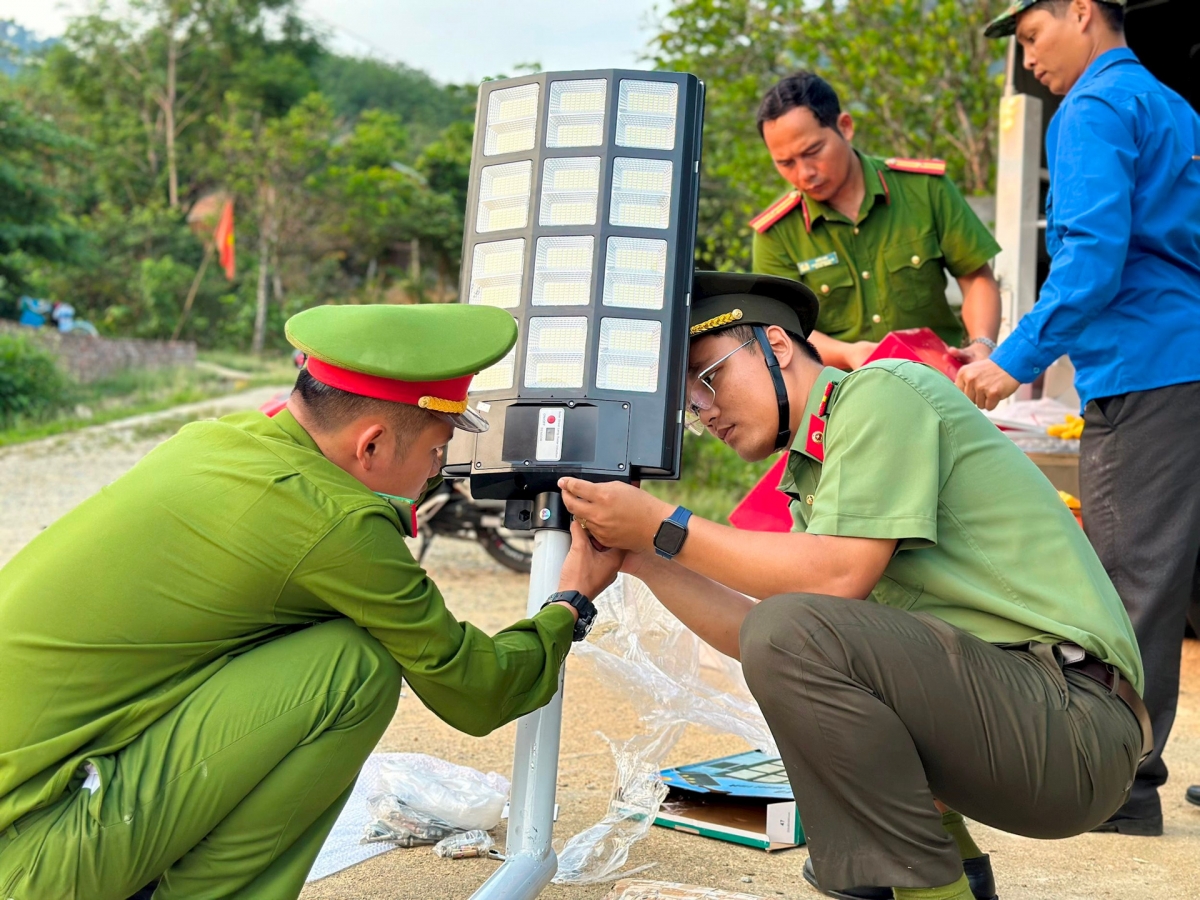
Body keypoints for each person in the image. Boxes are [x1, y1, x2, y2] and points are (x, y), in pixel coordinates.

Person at [560, 271, 1150, 900]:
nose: (704, 411)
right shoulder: (815, 471)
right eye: (691, 404)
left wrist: (666, 524)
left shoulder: (881, 392)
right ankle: (952, 875)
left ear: (776, 346)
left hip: (1071, 724)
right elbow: (758, 636)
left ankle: (914, 885)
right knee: (787, 642)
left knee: (791, 636)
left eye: (708, 378)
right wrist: (644, 557)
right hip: (1021, 721)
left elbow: (833, 582)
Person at [0, 303, 616, 900]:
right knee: (353, 669)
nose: (435, 471)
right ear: (370, 445)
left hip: (30, 806)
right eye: (434, 451)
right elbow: (477, 686)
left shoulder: (216, 441)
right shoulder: (335, 525)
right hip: (28, 859)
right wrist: (570, 602)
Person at [959, 0, 1200, 834]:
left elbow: (1091, 262)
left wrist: (1008, 362)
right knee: (1178, 573)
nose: (1028, 61)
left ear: (1084, 12)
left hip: (1147, 372)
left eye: (1030, 36)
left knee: (1127, 582)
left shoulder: (1094, 106)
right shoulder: (1171, 104)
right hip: (1186, 360)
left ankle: (1121, 788)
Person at [750, 71, 1003, 370]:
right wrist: (849, 353)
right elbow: (782, 329)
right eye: (786, 163)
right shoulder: (777, 232)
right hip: (842, 396)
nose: (805, 173)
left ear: (845, 127)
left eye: (813, 151)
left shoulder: (924, 189)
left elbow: (975, 277)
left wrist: (981, 347)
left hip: (937, 383)